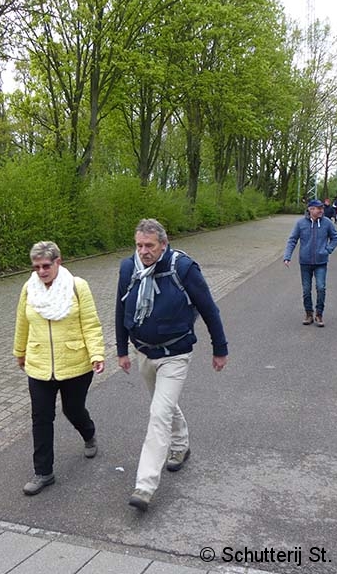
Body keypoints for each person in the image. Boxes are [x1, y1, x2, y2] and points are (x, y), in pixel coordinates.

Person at [116, 219, 228, 512]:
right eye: (139, 245)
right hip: (143, 352)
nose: (143, 251)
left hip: (175, 354)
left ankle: (145, 485)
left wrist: (220, 348)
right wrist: (121, 350)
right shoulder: (129, 269)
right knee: (162, 405)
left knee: (158, 413)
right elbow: (120, 308)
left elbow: (208, 308)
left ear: (163, 244)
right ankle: (181, 446)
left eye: (149, 246)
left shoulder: (183, 268)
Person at [13, 241, 105, 496]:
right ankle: (43, 472)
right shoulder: (29, 288)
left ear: (58, 262)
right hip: (39, 364)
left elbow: (91, 323)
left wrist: (97, 354)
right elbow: (22, 322)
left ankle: (89, 434)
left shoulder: (77, 286)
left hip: (75, 363)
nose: (41, 271)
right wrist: (20, 352)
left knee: (72, 409)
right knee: (41, 417)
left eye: (46, 266)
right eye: (36, 267)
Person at [283, 199, 337, 327]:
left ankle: (319, 314)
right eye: (318, 208)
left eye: (322, 208)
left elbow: (335, 237)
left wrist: (328, 250)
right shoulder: (301, 223)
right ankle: (308, 313)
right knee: (306, 289)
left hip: (321, 262)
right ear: (310, 209)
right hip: (305, 262)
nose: (321, 210)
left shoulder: (327, 222)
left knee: (321, 287)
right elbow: (292, 240)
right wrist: (287, 256)